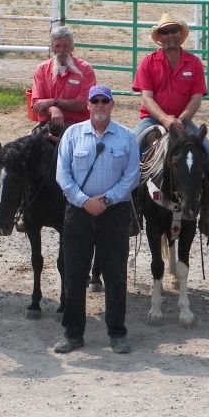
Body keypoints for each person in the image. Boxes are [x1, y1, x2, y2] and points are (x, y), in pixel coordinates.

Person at [54, 85, 140, 355]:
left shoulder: (126, 137)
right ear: (88, 106)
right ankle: (72, 333)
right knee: (74, 274)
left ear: (112, 105)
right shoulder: (72, 134)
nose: (100, 105)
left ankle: (117, 333)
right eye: (95, 101)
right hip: (78, 213)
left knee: (115, 274)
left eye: (105, 101)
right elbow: (62, 175)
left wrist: (107, 201)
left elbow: (132, 176)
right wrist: (85, 202)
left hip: (113, 214)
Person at [132, 12, 209, 236]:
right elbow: (147, 97)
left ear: (180, 35)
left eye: (174, 31)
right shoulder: (148, 63)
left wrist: (181, 119)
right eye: (165, 32)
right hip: (153, 119)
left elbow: (196, 97)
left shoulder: (193, 62)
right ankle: (131, 211)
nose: (170, 35)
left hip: (184, 121)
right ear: (159, 37)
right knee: (131, 151)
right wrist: (164, 119)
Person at [29, 24, 96, 131]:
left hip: (78, 127)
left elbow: (82, 104)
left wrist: (53, 102)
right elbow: (36, 104)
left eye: (65, 45)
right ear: (51, 48)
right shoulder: (41, 70)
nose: (61, 50)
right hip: (47, 126)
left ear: (72, 47)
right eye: (57, 46)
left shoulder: (85, 70)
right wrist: (53, 109)